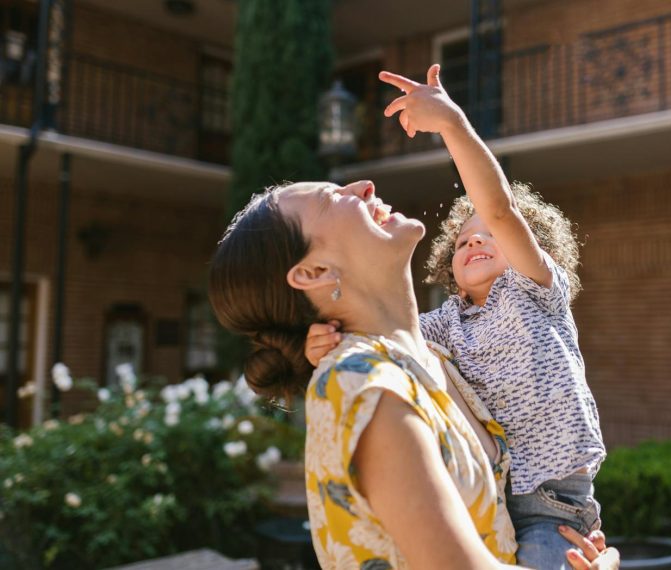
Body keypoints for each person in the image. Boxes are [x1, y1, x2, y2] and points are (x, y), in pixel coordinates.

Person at [207, 188, 619, 567]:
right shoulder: (361, 381)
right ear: (314, 272)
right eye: (330, 200)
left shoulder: (436, 359)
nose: (363, 185)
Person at [305, 64, 606, 570]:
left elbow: (502, 208)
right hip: (492, 498)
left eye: (489, 234)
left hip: (555, 505)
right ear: (450, 262)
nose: (478, 240)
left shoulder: (535, 291)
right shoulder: (446, 322)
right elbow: (383, 333)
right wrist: (324, 342)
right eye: (464, 240)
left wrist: (452, 125)